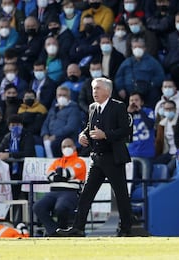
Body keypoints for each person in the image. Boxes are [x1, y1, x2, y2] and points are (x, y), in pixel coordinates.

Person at [56, 77, 133, 237]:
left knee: (121, 195)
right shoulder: (92, 107)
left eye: (98, 88)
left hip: (113, 158)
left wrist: (106, 135)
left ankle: (126, 228)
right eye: (93, 88)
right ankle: (78, 227)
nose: (94, 91)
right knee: (86, 194)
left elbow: (125, 130)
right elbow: (89, 127)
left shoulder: (118, 107)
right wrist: (83, 135)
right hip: (97, 158)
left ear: (107, 90)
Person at [33, 138, 86, 236]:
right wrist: (63, 175)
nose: (66, 148)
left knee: (61, 207)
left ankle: (63, 229)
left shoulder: (80, 162)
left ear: (74, 147)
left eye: (69, 146)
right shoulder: (56, 161)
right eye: (64, 146)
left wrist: (60, 174)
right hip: (53, 192)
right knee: (38, 206)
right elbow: (49, 175)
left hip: (70, 192)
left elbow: (70, 173)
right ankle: (54, 231)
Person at [41, 86, 82, 158]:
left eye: (64, 95)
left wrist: (55, 136)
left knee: (55, 144)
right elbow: (46, 123)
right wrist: (45, 134)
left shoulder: (74, 109)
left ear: (69, 97)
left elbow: (71, 127)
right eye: (59, 95)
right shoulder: (53, 109)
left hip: (66, 137)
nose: (61, 97)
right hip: (50, 137)